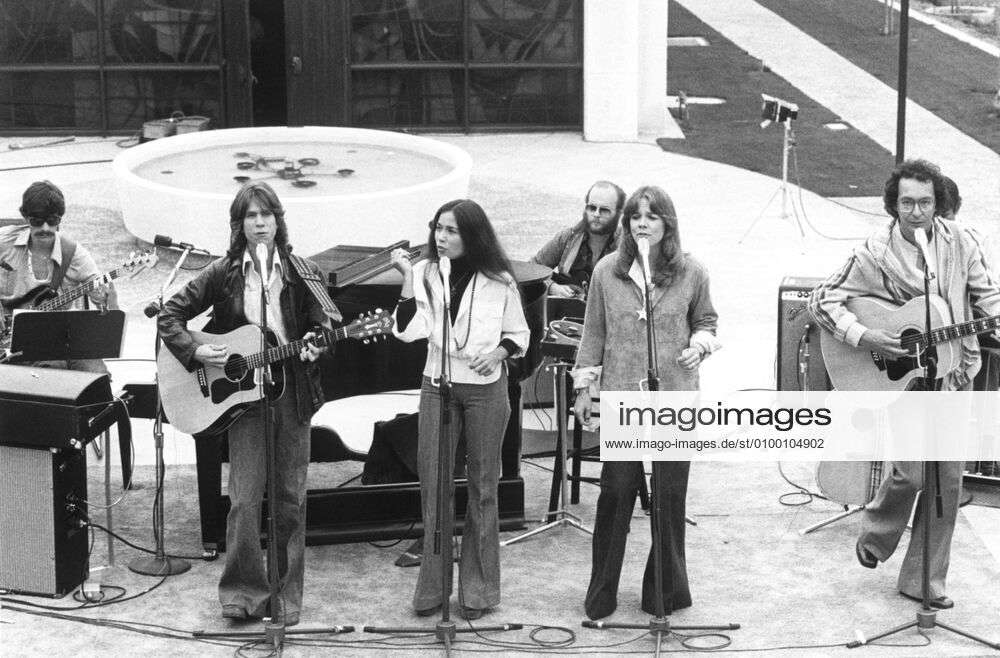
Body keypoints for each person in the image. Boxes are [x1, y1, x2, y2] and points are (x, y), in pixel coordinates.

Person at [809, 159, 1000, 609]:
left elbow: (988, 297)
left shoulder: (962, 243)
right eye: (908, 202)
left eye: (925, 202)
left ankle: (924, 581)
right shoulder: (873, 253)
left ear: (938, 203)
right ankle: (876, 532)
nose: (917, 211)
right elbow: (822, 300)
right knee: (912, 472)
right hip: (902, 379)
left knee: (946, 481)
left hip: (952, 373)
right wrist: (865, 335)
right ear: (893, 205)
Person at [158, 181, 334, 626]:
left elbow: (328, 322)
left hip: (292, 393)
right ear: (239, 225)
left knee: (290, 498)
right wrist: (196, 351)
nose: (260, 223)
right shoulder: (223, 272)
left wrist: (318, 345)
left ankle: (286, 595)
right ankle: (241, 592)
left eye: (266, 215)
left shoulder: (302, 271)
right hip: (243, 401)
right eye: (251, 216)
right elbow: (169, 315)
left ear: (278, 221)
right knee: (244, 499)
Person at [571, 185, 719, 620]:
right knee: (616, 491)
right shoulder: (607, 272)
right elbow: (593, 333)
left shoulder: (692, 271)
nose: (642, 223)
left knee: (669, 497)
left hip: (674, 395)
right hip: (622, 395)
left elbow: (706, 321)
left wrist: (699, 346)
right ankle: (602, 593)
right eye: (635, 216)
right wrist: (584, 387)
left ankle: (664, 594)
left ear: (666, 224)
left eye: (651, 216)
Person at [389, 199, 530, 620]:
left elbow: (519, 334)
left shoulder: (500, 280)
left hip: (486, 389)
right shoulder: (425, 272)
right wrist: (408, 280)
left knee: (483, 488)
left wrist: (499, 353)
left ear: (472, 235)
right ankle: (432, 590)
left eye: (451, 230)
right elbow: (405, 331)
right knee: (434, 486)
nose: (442, 237)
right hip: (438, 383)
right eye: (438, 228)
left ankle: (478, 592)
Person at [0, 180, 114, 371]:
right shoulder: (4, 241)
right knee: (53, 368)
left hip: (62, 336)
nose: (45, 228)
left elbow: (108, 310)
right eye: (37, 221)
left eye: (52, 221)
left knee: (96, 374)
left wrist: (105, 300)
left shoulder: (74, 253)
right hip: (12, 340)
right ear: (26, 218)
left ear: (60, 220)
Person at [531, 181, 624, 298]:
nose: (596, 214)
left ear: (618, 214)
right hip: (569, 307)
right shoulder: (567, 238)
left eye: (604, 210)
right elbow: (532, 269)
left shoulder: (627, 246)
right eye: (592, 208)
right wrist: (552, 287)